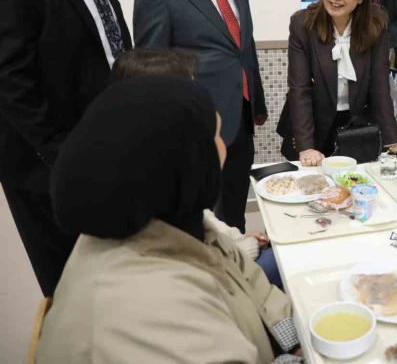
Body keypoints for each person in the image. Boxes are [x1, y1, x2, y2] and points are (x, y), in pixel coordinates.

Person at [36, 77, 301, 364]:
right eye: (215, 135)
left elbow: (246, 273)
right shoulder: (142, 313)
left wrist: (293, 342)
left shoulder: (176, 219)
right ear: (183, 161)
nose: (223, 147)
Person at [0, 0, 132, 297]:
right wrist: (62, 153)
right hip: (48, 165)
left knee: (104, 270)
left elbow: (107, 49)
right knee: (70, 285)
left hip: (98, 150)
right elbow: (10, 79)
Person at [133, 0, 267, 233]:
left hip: (239, 122)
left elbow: (243, 47)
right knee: (198, 221)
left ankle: (236, 270)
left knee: (233, 215)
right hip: (195, 130)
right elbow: (150, 70)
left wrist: (257, 103)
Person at [109, 48, 284, 290]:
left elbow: (202, 218)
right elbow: (202, 267)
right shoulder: (145, 184)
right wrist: (245, 247)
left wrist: (236, 238)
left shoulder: (149, 154)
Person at [277, 0, 397, 166]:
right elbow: (299, 89)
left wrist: (392, 141)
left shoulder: (375, 24)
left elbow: (380, 86)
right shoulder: (302, 24)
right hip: (311, 123)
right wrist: (306, 146)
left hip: (355, 124)